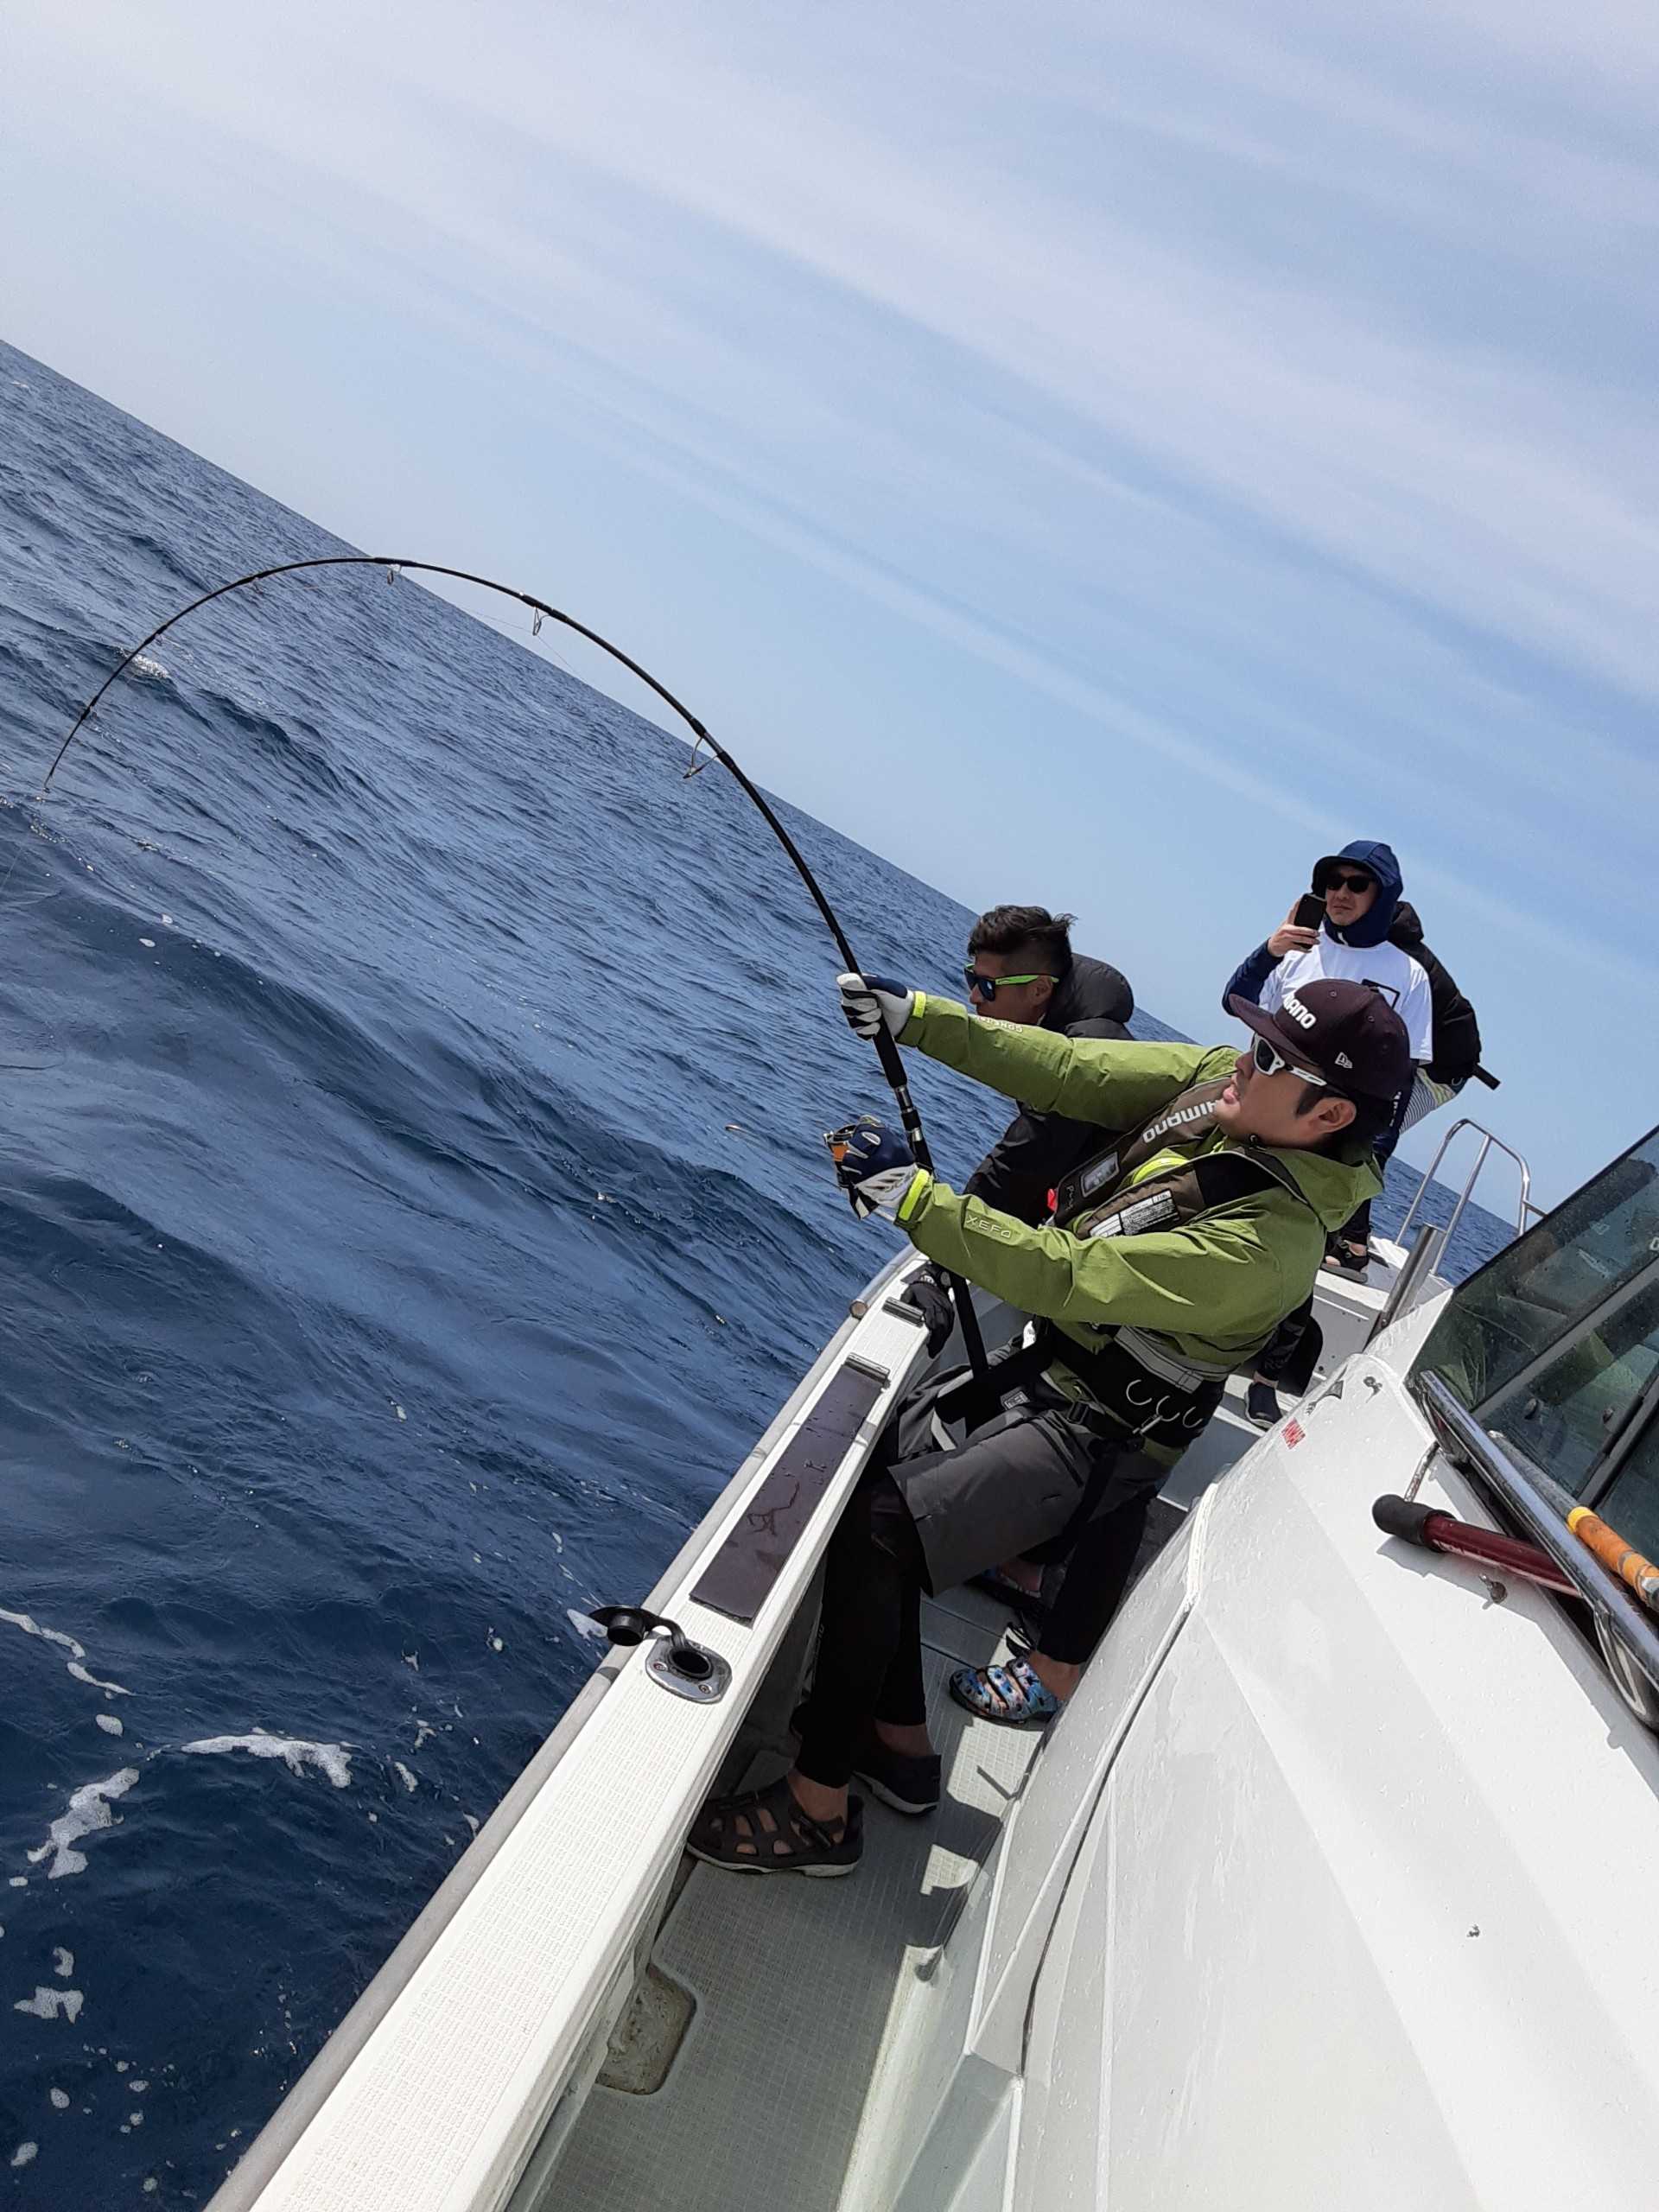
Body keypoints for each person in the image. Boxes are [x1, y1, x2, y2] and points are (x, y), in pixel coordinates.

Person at [685, 971, 1409, 1876]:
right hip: (1051, 1374)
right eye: (1257, 1037)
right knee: (883, 1489)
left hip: (1097, 1435)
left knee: (882, 1533)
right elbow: (1074, 1068)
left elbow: (1066, 1275)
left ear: (1328, 1117)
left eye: (1273, 1055)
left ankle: (817, 1813)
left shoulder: (1270, 1243)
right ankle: (897, 1747)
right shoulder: (1226, 1087)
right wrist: (920, 1021)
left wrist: (915, 1202)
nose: (1243, 1058)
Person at [904, 905, 1134, 1355]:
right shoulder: (1066, 1025)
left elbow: (1020, 1165)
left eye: (986, 987)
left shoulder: (1085, 1053)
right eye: (971, 979)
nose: (974, 998)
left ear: (1039, 990)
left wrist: (940, 1264)